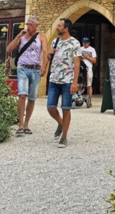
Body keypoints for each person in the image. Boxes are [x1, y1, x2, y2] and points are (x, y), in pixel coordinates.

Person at [6, 16, 48, 136]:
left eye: (31, 24)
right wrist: (18, 36)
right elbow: (9, 49)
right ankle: (20, 125)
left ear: (36, 26)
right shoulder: (22, 36)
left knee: (32, 97)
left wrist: (44, 66)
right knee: (22, 95)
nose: (28, 26)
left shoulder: (41, 36)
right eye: (27, 24)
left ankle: (26, 124)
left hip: (35, 69)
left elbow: (45, 52)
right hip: (22, 68)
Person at [47, 18, 82, 148]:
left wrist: (75, 82)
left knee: (66, 109)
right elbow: (50, 58)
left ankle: (64, 137)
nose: (57, 27)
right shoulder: (55, 41)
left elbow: (77, 64)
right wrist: (48, 54)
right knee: (50, 107)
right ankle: (61, 124)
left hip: (67, 80)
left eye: (59, 25)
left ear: (66, 29)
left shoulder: (75, 43)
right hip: (54, 79)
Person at [80, 37, 97, 108]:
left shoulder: (92, 50)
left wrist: (87, 57)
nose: (85, 44)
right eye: (84, 42)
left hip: (88, 68)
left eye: (86, 42)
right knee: (79, 83)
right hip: (81, 68)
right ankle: (77, 98)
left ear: (89, 43)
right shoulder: (80, 49)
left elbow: (94, 60)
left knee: (89, 85)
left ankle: (90, 100)